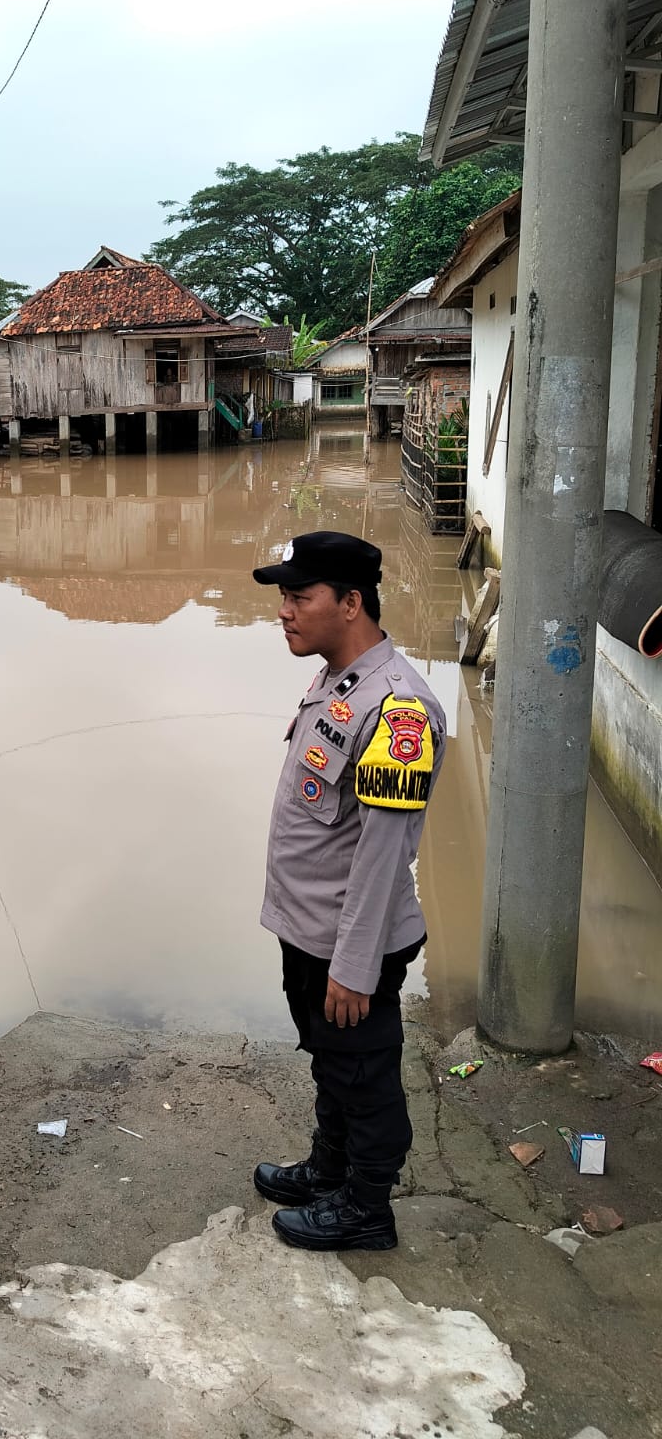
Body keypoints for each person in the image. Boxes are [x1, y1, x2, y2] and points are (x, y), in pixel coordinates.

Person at [250, 531, 446, 1251]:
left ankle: (366, 1207)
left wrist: (355, 966)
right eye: (284, 598)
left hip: (346, 941)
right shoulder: (339, 679)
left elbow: (384, 852)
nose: (286, 612)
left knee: (365, 1071)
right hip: (309, 927)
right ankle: (328, 1168)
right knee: (331, 1060)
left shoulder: (399, 712)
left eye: (301, 597)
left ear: (352, 603)